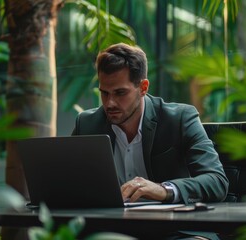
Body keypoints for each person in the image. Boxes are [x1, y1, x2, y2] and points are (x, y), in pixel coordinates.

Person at [71, 43, 229, 239]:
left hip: (175, 230)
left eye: (120, 93)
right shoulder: (87, 124)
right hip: (112, 231)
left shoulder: (179, 118)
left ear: (143, 87)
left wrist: (164, 190)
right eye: (104, 93)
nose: (110, 103)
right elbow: (70, 184)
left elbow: (217, 181)